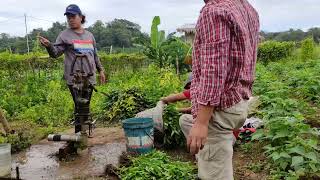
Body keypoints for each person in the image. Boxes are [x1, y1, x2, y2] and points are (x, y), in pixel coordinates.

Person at [188, 0, 260, 179]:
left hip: (218, 110)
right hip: (239, 101)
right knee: (219, 164)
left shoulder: (214, 11)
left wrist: (202, 121)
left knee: (215, 174)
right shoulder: (247, 9)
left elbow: (214, 70)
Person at [38, 4, 106, 115]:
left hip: (89, 76)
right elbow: (55, 54)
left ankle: (84, 129)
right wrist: (49, 46)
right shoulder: (64, 35)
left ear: (81, 17)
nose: (70, 19)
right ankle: (80, 130)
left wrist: (101, 70)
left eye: (73, 16)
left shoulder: (89, 35)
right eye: (68, 17)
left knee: (86, 104)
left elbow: (95, 55)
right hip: (74, 77)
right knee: (79, 104)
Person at [161, 74, 192, 138]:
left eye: (190, 86)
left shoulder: (193, 91)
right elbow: (192, 109)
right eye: (188, 87)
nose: (189, 88)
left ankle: (194, 142)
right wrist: (177, 110)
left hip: (207, 122)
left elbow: (172, 98)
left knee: (184, 119)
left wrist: (162, 99)